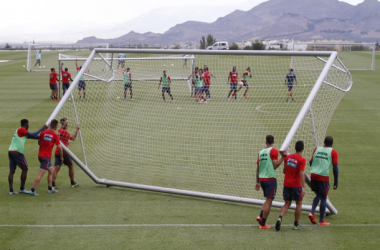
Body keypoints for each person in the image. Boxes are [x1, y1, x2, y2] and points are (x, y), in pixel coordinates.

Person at [255, 135, 286, 229]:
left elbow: (258, 168)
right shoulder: (273, 151)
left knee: (267, 199)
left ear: (266, 142)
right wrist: (283, 158)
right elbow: (275, 165)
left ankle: (260, 216)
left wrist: (257, 181)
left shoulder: (260, 152)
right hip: (270, 179)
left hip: (262, 179)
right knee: (269, 201)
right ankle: (263, 224)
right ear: (274, 141)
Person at [8, 119, 46, 195]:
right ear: (26, 124)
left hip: (11, 151)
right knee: (25, 169)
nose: (29, 126)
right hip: (17, 152)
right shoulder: (22, 129)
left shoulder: (19, 131)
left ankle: (11, 190)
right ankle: (22, 188)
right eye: (28, 124)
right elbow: (32, 135)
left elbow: (33, 137)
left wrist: (43, 136)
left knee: (12, 171)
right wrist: (42, 128)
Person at [275, 140, 306, 231]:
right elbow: (301, 173)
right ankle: (296, 224)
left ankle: (280, 217)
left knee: (287, 203)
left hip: (287, 184)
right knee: (298, 204)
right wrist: (303, 187)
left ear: (295, 148)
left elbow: (284, 171)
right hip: (296, 185)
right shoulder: (302, 160)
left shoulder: (288, 158)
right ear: (303, 149)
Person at [308, 136, 339, 226]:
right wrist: (336, 181)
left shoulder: (316, 149)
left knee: (318, 194)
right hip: (323, 177)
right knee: (324, 198)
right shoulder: (333, 152)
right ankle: (321, 221)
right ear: (332, 144)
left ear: (324, 142)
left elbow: (310, 163)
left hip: (313, 175)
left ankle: (312, 212)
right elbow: (335, 168)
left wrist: (316, 167)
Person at [29, 119, 63, 196]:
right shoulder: (54, 135)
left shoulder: (43, 132)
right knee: (40, 174)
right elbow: (60, 147)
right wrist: (61, 157)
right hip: (46, 157)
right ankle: (32, 190)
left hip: (40, 155)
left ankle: (50, 189)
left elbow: (39, 142)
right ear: (56, 126)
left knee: (51, 170)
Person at [52, 118, 80, 189]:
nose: (67, 124)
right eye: (66, 122)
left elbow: (60, 140)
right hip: (64, 153)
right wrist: (77, 130)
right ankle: (72, 182)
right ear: (63, 123)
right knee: (71, 166)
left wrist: (67, 142)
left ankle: (53, 184)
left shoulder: (59, 130)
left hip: (57, 151)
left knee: (56, 169)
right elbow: (73, 138)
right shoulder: (64, 132)